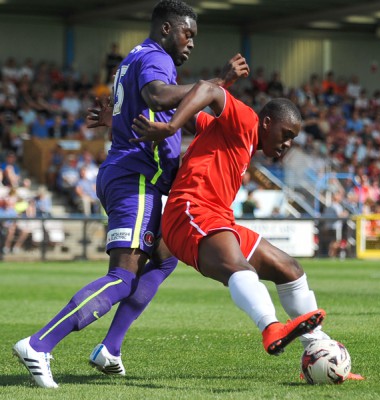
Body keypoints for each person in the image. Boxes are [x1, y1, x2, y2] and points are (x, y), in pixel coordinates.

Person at [13, 0, 249, 389]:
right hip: (136, 178)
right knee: (122, 276)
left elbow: (145, 108)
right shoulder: (157, 58)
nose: (191, 43)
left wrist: (115, 121)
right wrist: (216, 83)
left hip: (135, 175)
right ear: (167, 29)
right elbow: (157, 96)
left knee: (163, 258)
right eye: (188, 34)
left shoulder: (135, 57)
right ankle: (39, 345)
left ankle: (110, 349)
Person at [131, 80, 363, 379]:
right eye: (286, 134)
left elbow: (191, 113)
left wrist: (127, 119)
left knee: (289, 269)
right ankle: (270, 327)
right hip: (189, 211)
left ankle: (321, 351)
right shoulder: (246, 120)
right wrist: (170, 126)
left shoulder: (235, 134)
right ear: (267, 122)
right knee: (240, 268)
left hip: (217, 217)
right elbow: (209, 91)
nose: (287, 144)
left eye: (292, 139)